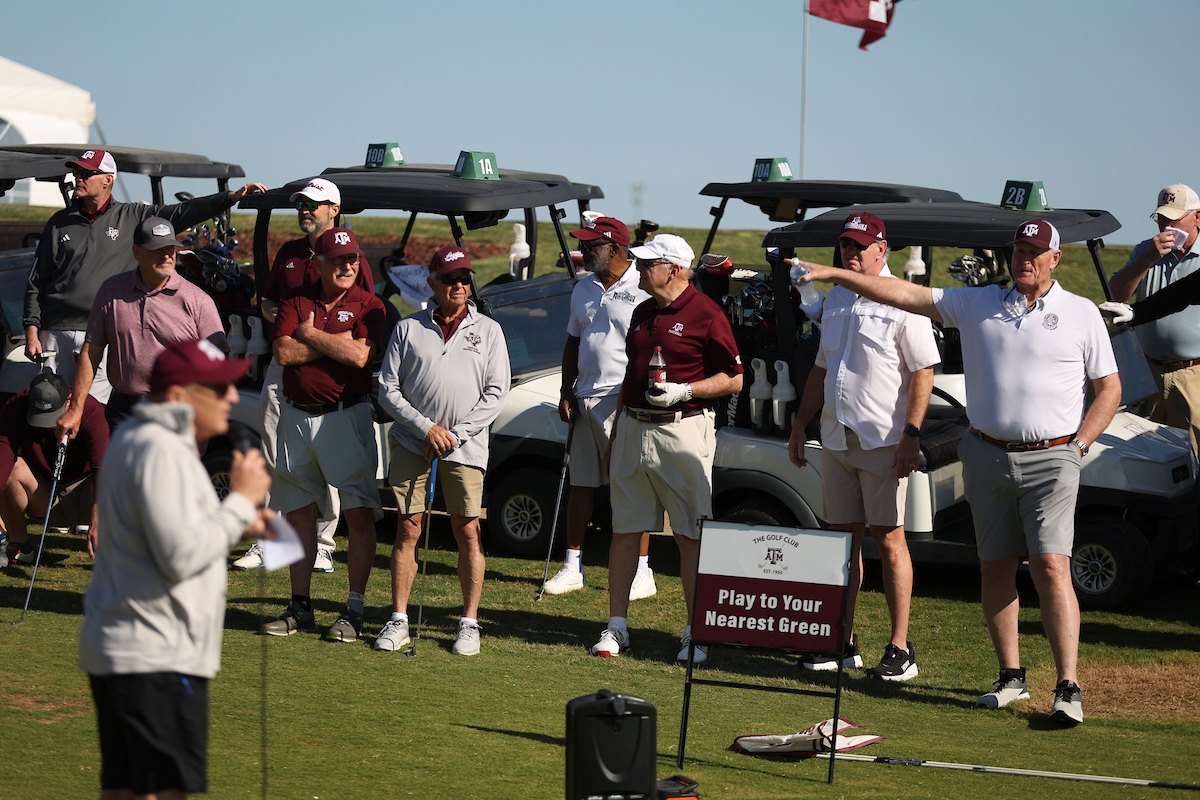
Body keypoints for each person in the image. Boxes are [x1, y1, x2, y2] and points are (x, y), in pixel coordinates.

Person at [796, 219, 1121, 725]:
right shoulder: (979, 302)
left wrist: (1078, 446)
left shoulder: (1080, 313)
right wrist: (832, 273)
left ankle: (1067, 686)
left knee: (1051, 566)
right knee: (994, 565)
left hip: (1053, 457)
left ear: (1056, 259)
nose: (1024, 260)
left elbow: (1109, 389)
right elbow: (901, 291)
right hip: (986, 453)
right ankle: (1010, 677)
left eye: (1035, 252)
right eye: (1018, 251)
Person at [78, 338, 272, 799]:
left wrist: (237, 522)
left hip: (131, 648)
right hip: (155, 654)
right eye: (219, 388)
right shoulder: (162, 449)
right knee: (160, 791)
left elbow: (164, 535)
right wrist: (241, 501)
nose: (230, 397)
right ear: (182, 395)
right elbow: (180, 554)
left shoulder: (140, 438)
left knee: (125, 788)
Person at [787, 212, 938, 682]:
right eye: (845, 246)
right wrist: (799, 425)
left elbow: (923, 372)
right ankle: (841, 638)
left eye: (861, 246)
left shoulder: (903, 300)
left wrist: (911, 435)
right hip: (836, 438)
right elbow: (820, 369)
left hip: (883, 441)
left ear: (882, 249)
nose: (851, 254)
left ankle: (900, 646)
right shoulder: (835, 296)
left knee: (889, 539)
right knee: (842, 539)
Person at [590, 234, 743, 664]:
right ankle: (617, 626)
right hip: (634, 430)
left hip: (683, 430)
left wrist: (685, 390)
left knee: (690, 535)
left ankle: (696, 632)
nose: (637, 269)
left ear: (673, 269)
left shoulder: (707, 313)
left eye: (646, 264)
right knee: (624, 530)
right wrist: (618, 431)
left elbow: (734, 377)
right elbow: (631, 378)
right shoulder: (641, 311)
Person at [23, 148, 264, 399]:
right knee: (51, 405)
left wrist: (231, 197)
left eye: (87, 173)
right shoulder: (58, 222)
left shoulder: (133, 216)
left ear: (108, 179)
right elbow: (36, 280)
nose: (79, 178)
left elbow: (183, 212)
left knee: (93, 410)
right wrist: (32, 329)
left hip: (102, 334)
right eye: (77, 172)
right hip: (55, 331)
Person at [376, 244, 510, 656]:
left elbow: (496, 392)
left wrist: (456, 433)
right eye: (450, 278)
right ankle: (399, 619)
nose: (459, 285)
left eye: (464, 278)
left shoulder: (488, 330)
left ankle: (469, 623)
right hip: (412, 443)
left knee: (467, 530)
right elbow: (387, 388)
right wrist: (425, 428)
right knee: (408, 528)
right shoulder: (409, 328)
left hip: (465, 449)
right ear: (432, 283)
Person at [237, 178, 373, 574]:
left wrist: (307, 335)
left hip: (331, 374)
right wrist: (289, 325)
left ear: (334, 209)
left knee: (327, 454)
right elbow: (269, 302)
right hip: (285, 365)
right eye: (301, 205)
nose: (305, 211)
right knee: (273, 451)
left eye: (313, 205)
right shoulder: (291, 253)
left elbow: (359, 319)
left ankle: (325, 543)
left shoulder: (353, 259)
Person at [261, 227, 386, 643]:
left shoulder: (369, 304)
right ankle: (301, 605)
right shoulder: (296, 300)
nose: (348, 266)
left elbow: (360, 356)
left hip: (345, 415)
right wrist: (336, 343)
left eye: (353, 259)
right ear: (319, 263)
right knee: (299, 513)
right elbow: (282, 353)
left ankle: (354, 608)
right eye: (339, 259)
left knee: (357, 512)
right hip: (296, 415)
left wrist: (310, 334)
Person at [543, 217, 656, 599]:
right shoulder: (583, 288)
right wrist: (565, 389)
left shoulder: (642, 287)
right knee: (582, 484)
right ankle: (573, 566)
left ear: (616, 249)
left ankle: (643, 570)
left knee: (629, 485)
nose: (585, 250)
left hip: (621, 399)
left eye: (593, 245)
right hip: (585, 395)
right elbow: (574, 343)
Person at [56, 218, 228, 436]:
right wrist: (75, 409)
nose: (167, 255)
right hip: (124, 411)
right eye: (157, 249)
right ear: (137, 252)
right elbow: (91, 352)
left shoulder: (197, 300)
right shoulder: (111, 291)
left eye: (171, 249)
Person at [1105, 184, 1200, 454]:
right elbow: (1116, 294)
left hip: (1194, 373)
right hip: (1149, 371)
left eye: (1175, 218)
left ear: (1197, 217)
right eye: (1162, 217)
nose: (1167, 225)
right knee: (1148, 450)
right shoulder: (1146, 250)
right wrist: (1148, 257)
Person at [0, 372, 107, 569]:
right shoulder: (15, 406)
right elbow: (3, 455)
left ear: (69, 401)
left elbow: (103, 467)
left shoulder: (91, 410)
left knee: (120, 475)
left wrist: (99, 515)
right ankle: (21, 548)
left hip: (84, 494)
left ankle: (114, 550)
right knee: (12, 468)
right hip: (42, 493)